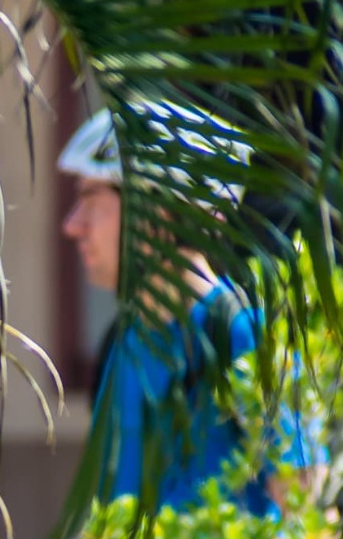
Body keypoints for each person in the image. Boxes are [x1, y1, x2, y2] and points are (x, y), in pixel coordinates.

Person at [58, 104, 270, 516]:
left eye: (90, 199)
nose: (72, 225)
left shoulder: (245, 337)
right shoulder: (122, 340)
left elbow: (310, 516)